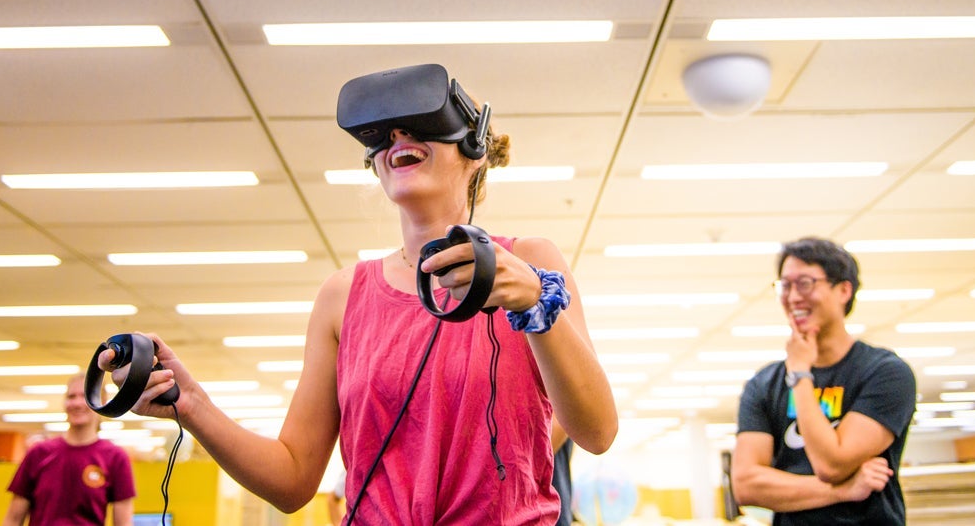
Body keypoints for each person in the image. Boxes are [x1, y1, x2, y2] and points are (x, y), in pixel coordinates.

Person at [102, 64, 618, 524]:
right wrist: (192, 404)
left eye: (420, 124)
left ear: (474, 150)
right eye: (383, 133)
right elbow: (293, 479)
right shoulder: (341, 296)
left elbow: (596, 432)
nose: (397, 136)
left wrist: (534, 303)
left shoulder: (532, 262)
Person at [731, 236, 916, 525]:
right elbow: (746, 485)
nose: (793, 298)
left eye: (805, 283)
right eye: (785, 285)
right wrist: (844, 491)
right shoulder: (764, 384)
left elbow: (831, 464)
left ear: (843, 289)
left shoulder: (884, 372)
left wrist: (801, 375)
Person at [2, 374, 136, 526]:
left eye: (85, 396)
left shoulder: (115, 457)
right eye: (71, 396)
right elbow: (12, 519)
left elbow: (123, 523)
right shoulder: (38, 453)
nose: (77, 403)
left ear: (102, 402)